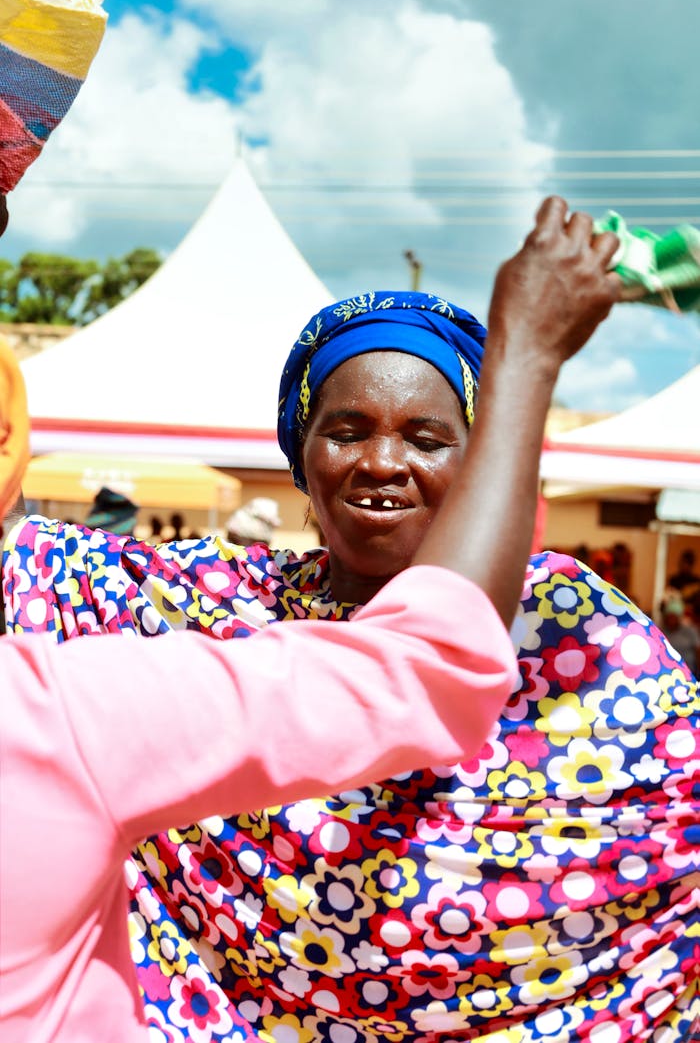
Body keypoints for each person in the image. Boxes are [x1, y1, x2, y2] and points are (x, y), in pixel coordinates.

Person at [3, 204, 698, 1041]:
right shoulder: (197, 604)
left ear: (483, 464)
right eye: (346, 431)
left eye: (427, 438)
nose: (380, 463)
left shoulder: (580, 629)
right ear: (302, 457)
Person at [660, 590, 700, 675]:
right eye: (669, 617)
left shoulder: (690, 631)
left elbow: (698, 652)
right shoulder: (661, 631)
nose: (671, 620)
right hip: (667, 672)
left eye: (674, 617)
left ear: (679, 617)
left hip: (689, 672)